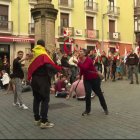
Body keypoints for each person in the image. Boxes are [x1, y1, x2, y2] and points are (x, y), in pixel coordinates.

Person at [28, 39, 61, 129]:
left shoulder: (34, 53)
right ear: (43, 45)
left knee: (36, 99)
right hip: (42, 80)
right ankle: (44, 121)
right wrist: (58, 69)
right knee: (45, 100)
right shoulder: (43, 54)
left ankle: (37, 119)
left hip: (34, 80)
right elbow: (49, 65)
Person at [73, 49, 108, 116]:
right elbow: (82, 70)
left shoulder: (88, 60)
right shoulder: (80, 60)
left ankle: (105, 108)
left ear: (85, 53)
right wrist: (80, 76)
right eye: (79, 52)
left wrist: (77, 63)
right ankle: (87, 110)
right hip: (86, 80)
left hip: (94, 79)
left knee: (99, 94)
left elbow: (85, 68)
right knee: (88, 94)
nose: (79, 53)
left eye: (81, 52)